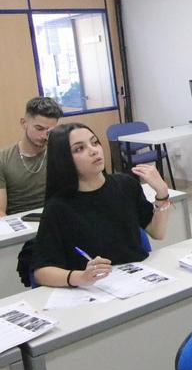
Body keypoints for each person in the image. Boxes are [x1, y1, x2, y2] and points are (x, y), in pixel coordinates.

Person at [31, 123, 173, 288]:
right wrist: (79, 277)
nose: (93, 150)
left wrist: (162, 193)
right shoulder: (59, 206)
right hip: (97, 289)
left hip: (138, 279)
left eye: (95, 142)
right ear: (64, 159)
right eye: (79, 149)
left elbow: (158, 232)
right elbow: (40, 272)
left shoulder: (125, 185)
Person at [0, 97, 63, 218]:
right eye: (39, 128)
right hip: (21, 224)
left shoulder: (61, 153)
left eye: (50, 131)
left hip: (55, 220)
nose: (44, 136)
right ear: (24, 123)